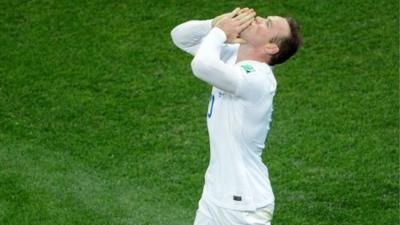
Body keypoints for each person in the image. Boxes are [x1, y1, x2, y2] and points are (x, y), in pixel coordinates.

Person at [170, 7, 302, 225]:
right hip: (214, 195)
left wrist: (220, 33)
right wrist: (216, 23)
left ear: (271, 47)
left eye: (266, 24)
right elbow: (180, 37)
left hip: (244, 206)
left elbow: (202, 66)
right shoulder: (231, 55)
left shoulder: (259, 79)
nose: (258, 19)